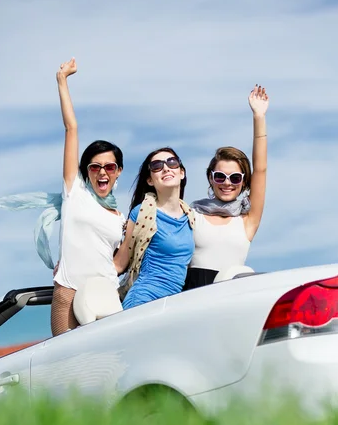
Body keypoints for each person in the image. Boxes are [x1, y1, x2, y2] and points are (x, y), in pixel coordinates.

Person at [51, 58, 125, 335]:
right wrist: (62, 81)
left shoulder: (121, 219)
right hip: (68, 292)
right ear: (86, 171)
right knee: (64, 372)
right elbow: (72, 129)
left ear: (118, 172)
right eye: (95, 167)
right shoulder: (75, 193)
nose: (102, 172)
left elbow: (119, 263)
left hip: (105, 296)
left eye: (109, 167)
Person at [183, 84, 269, 290]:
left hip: (231, 298)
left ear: (244, 182)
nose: (227, 183)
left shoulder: (247, 222)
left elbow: (261, 170)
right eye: (220, 176)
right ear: (210, 179)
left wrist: (259, 117)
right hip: (191, 296)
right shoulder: (191, 215)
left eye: (235, 178)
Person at [114, 148, 195, 309]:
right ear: (150, 180)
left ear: (182, 173)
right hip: (143, 300)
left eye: (172, 162)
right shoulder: (142, 213)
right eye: (157, 166)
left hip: (173, 304)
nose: (166, 168)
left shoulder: (190, 217)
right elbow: (120, 263)